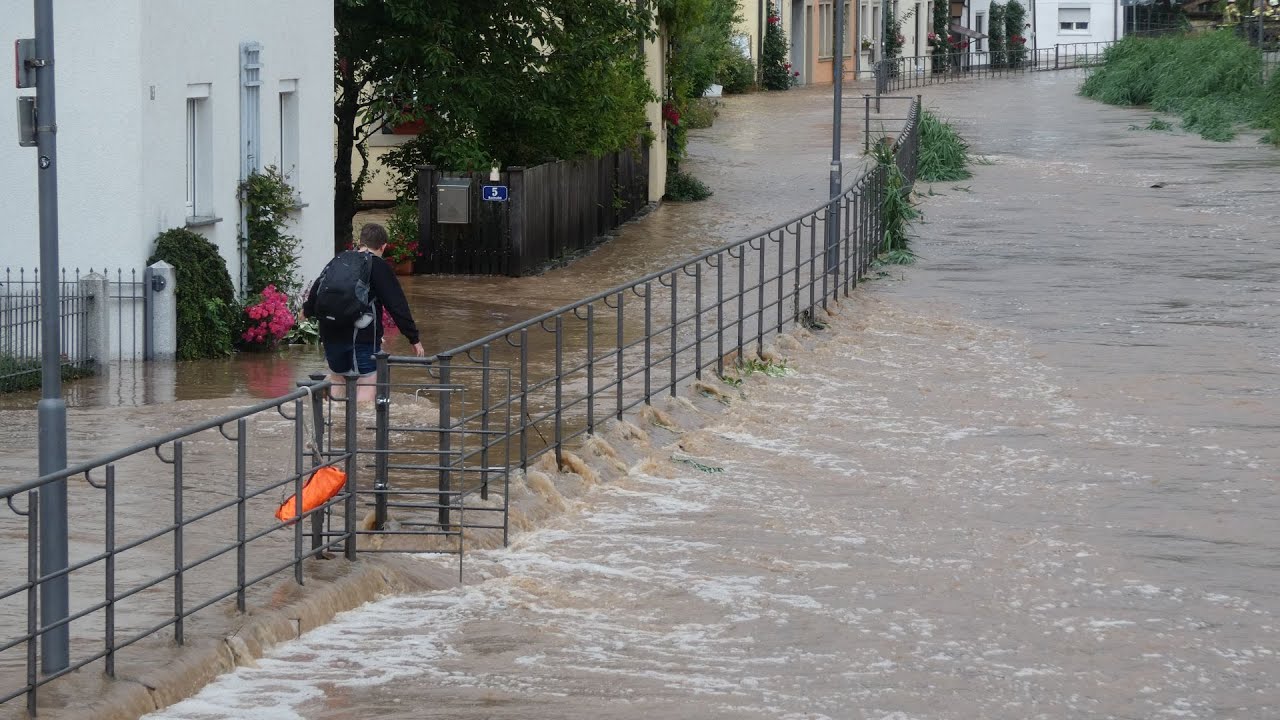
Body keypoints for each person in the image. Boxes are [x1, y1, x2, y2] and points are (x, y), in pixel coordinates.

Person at [303, 223, 425, 401]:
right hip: (361, 335)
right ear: (383, 246)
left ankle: (334, 425)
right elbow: (397, 305)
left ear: (360, 242)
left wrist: (306, 312)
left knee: (338, 379)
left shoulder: (339, 259)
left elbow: (317, 289)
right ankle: (359, 427)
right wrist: (413, 338)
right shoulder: (378, 266)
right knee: (367, 382)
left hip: (330, 331)